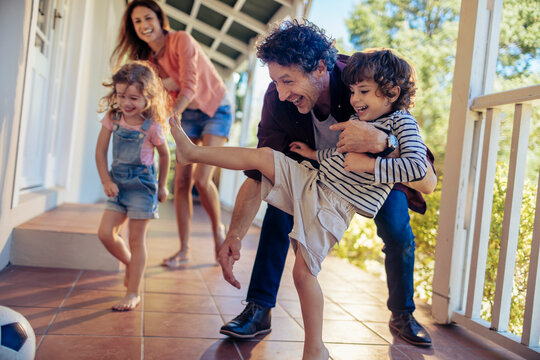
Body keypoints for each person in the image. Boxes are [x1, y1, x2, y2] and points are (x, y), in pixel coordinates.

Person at [169, 46, 429, 359]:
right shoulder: (285, 102)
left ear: (320, 69)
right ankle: (258, 307)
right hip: (317, 175)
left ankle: (392, 317)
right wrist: (234, 234)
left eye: (288, 81)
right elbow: (257, 175)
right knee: (265, 162)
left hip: (348, 194)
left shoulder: (373, 92)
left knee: (394, 231)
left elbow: (424, 177)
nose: (281, 93)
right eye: (276, 82)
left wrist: (382, 147)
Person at [111, 0, 233, 266]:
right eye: (137, 21)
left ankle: (218, 232)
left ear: (159, 18)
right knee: (180, 183)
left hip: (215, 108)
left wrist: (169, 115)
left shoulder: (182, 40)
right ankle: (184, 249)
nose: (144, 25)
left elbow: (189, 85)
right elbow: (149, 95)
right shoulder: (148, 62)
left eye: (148, 18)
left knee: (202, 180)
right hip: (185, 113)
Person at [95, 61, 170, 311]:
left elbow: (165, 155)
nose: (126, 102)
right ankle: (131, 263)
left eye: (134, 98)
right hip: (117, 185)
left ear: (147, 96)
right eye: (121, 95)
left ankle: (133, 292)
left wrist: (162, 186)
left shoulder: (152, 126)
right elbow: (100, 151)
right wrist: (106, 180)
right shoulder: (113, 118)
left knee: (137, 240)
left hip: (142, 187)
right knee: (106, 233)